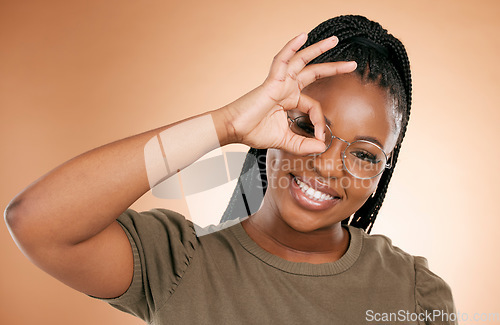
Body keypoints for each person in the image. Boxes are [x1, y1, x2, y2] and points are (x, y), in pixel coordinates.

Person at [4, 15, 456, 324]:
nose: (326, 164)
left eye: (363, 154)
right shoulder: (177, 261)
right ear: (279, 120)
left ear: (384, 170)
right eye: (308, 125)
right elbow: (35, 221)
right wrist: (226, 125)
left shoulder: (416, 295)